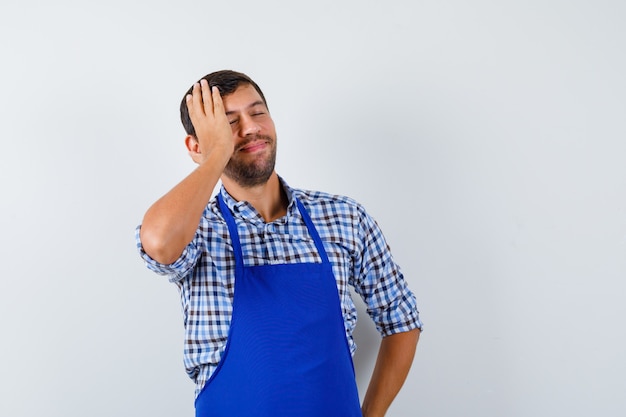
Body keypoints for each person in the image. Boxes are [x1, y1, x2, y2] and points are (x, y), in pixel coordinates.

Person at [136, 70, 422, 417]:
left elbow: (402, 320)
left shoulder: (344, 218)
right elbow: (157, 243)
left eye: (257, 113)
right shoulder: (197, 229)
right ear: (197, 146)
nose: (250, 128)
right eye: (228, 123)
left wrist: (371, 415)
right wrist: (216, 156)